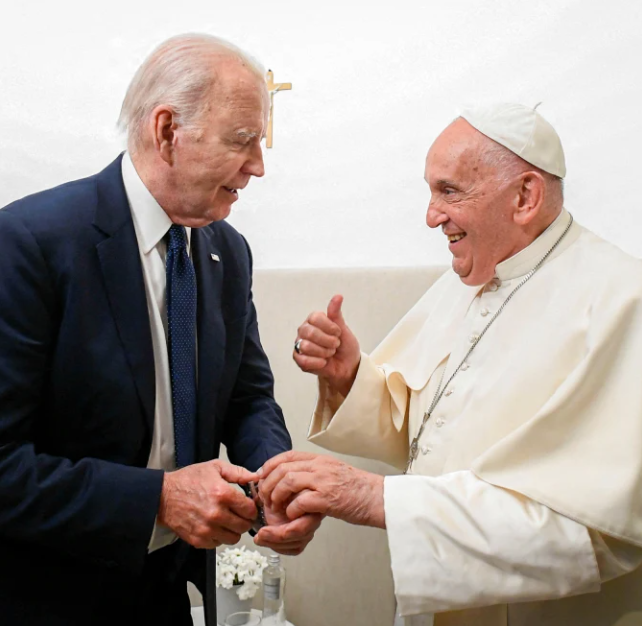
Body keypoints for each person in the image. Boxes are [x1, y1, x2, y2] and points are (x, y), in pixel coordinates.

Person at [0, 34, 320, 626]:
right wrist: (161, 499)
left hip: (160, 595)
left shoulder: (227, 251)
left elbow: (246, 398)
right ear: (167, 130)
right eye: (242, 142)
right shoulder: (29, 243)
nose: (258, 167)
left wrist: (277, 479)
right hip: (32, 599)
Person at [257, 103, 642, 625]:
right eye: (430, 191)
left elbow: (594, 531)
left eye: (450, 191)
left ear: (525, 196)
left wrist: (374, 497)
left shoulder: (622, 301)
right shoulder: (470, 278)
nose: (431, 214)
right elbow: (426, 432)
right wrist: (348, 376)